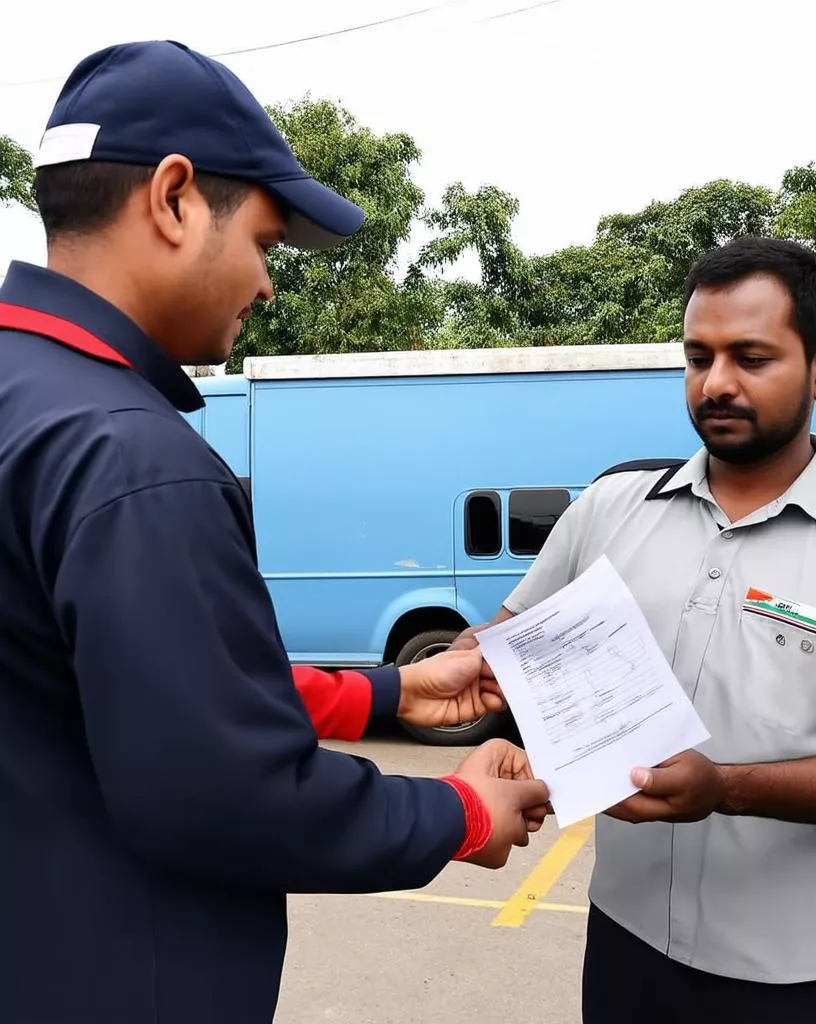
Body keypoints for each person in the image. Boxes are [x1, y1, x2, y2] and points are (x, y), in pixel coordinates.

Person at [0, 40, 549, 1024]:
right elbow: (220, 789)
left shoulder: (26, 401)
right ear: (172, 198)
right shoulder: (131, 454)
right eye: (263, 241)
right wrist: (461, 809)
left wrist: (387, 692)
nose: (266, 284)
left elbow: (110, 687)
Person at [450, 236, 816, 1023]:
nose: (715, 384)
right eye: (699, 357)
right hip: (627, 949)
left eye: (751, 358)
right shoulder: (614, 507)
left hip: (807, 977)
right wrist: (493, 702)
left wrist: (726, 788)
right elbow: (502, 647)